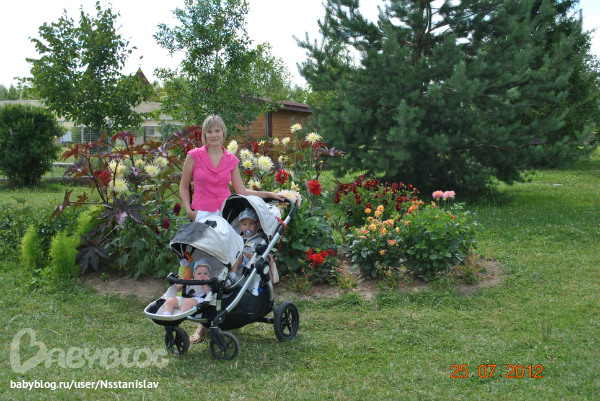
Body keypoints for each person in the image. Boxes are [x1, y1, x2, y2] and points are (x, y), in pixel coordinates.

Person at [179, 115, 284, 223]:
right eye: (209, 132)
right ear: (205, 134)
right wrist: (189, 211)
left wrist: (269, 194)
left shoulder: (231, 160)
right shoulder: (193, 156)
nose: (214, 135)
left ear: (223, 132)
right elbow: (183, 187)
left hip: (227, 213)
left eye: (217, 131)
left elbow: (242, 191)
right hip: (201, 213)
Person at [229, 208, 266, 295]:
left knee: (237, 254)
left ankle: (231, 276)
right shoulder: (239, 238)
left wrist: (242, 254)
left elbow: (257, 257)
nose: (248, 227)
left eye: (251, 223)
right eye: (244, 224)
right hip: (236, 261)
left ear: (257, 224)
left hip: (247, 263)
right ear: (240, 226)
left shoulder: (259, 240)